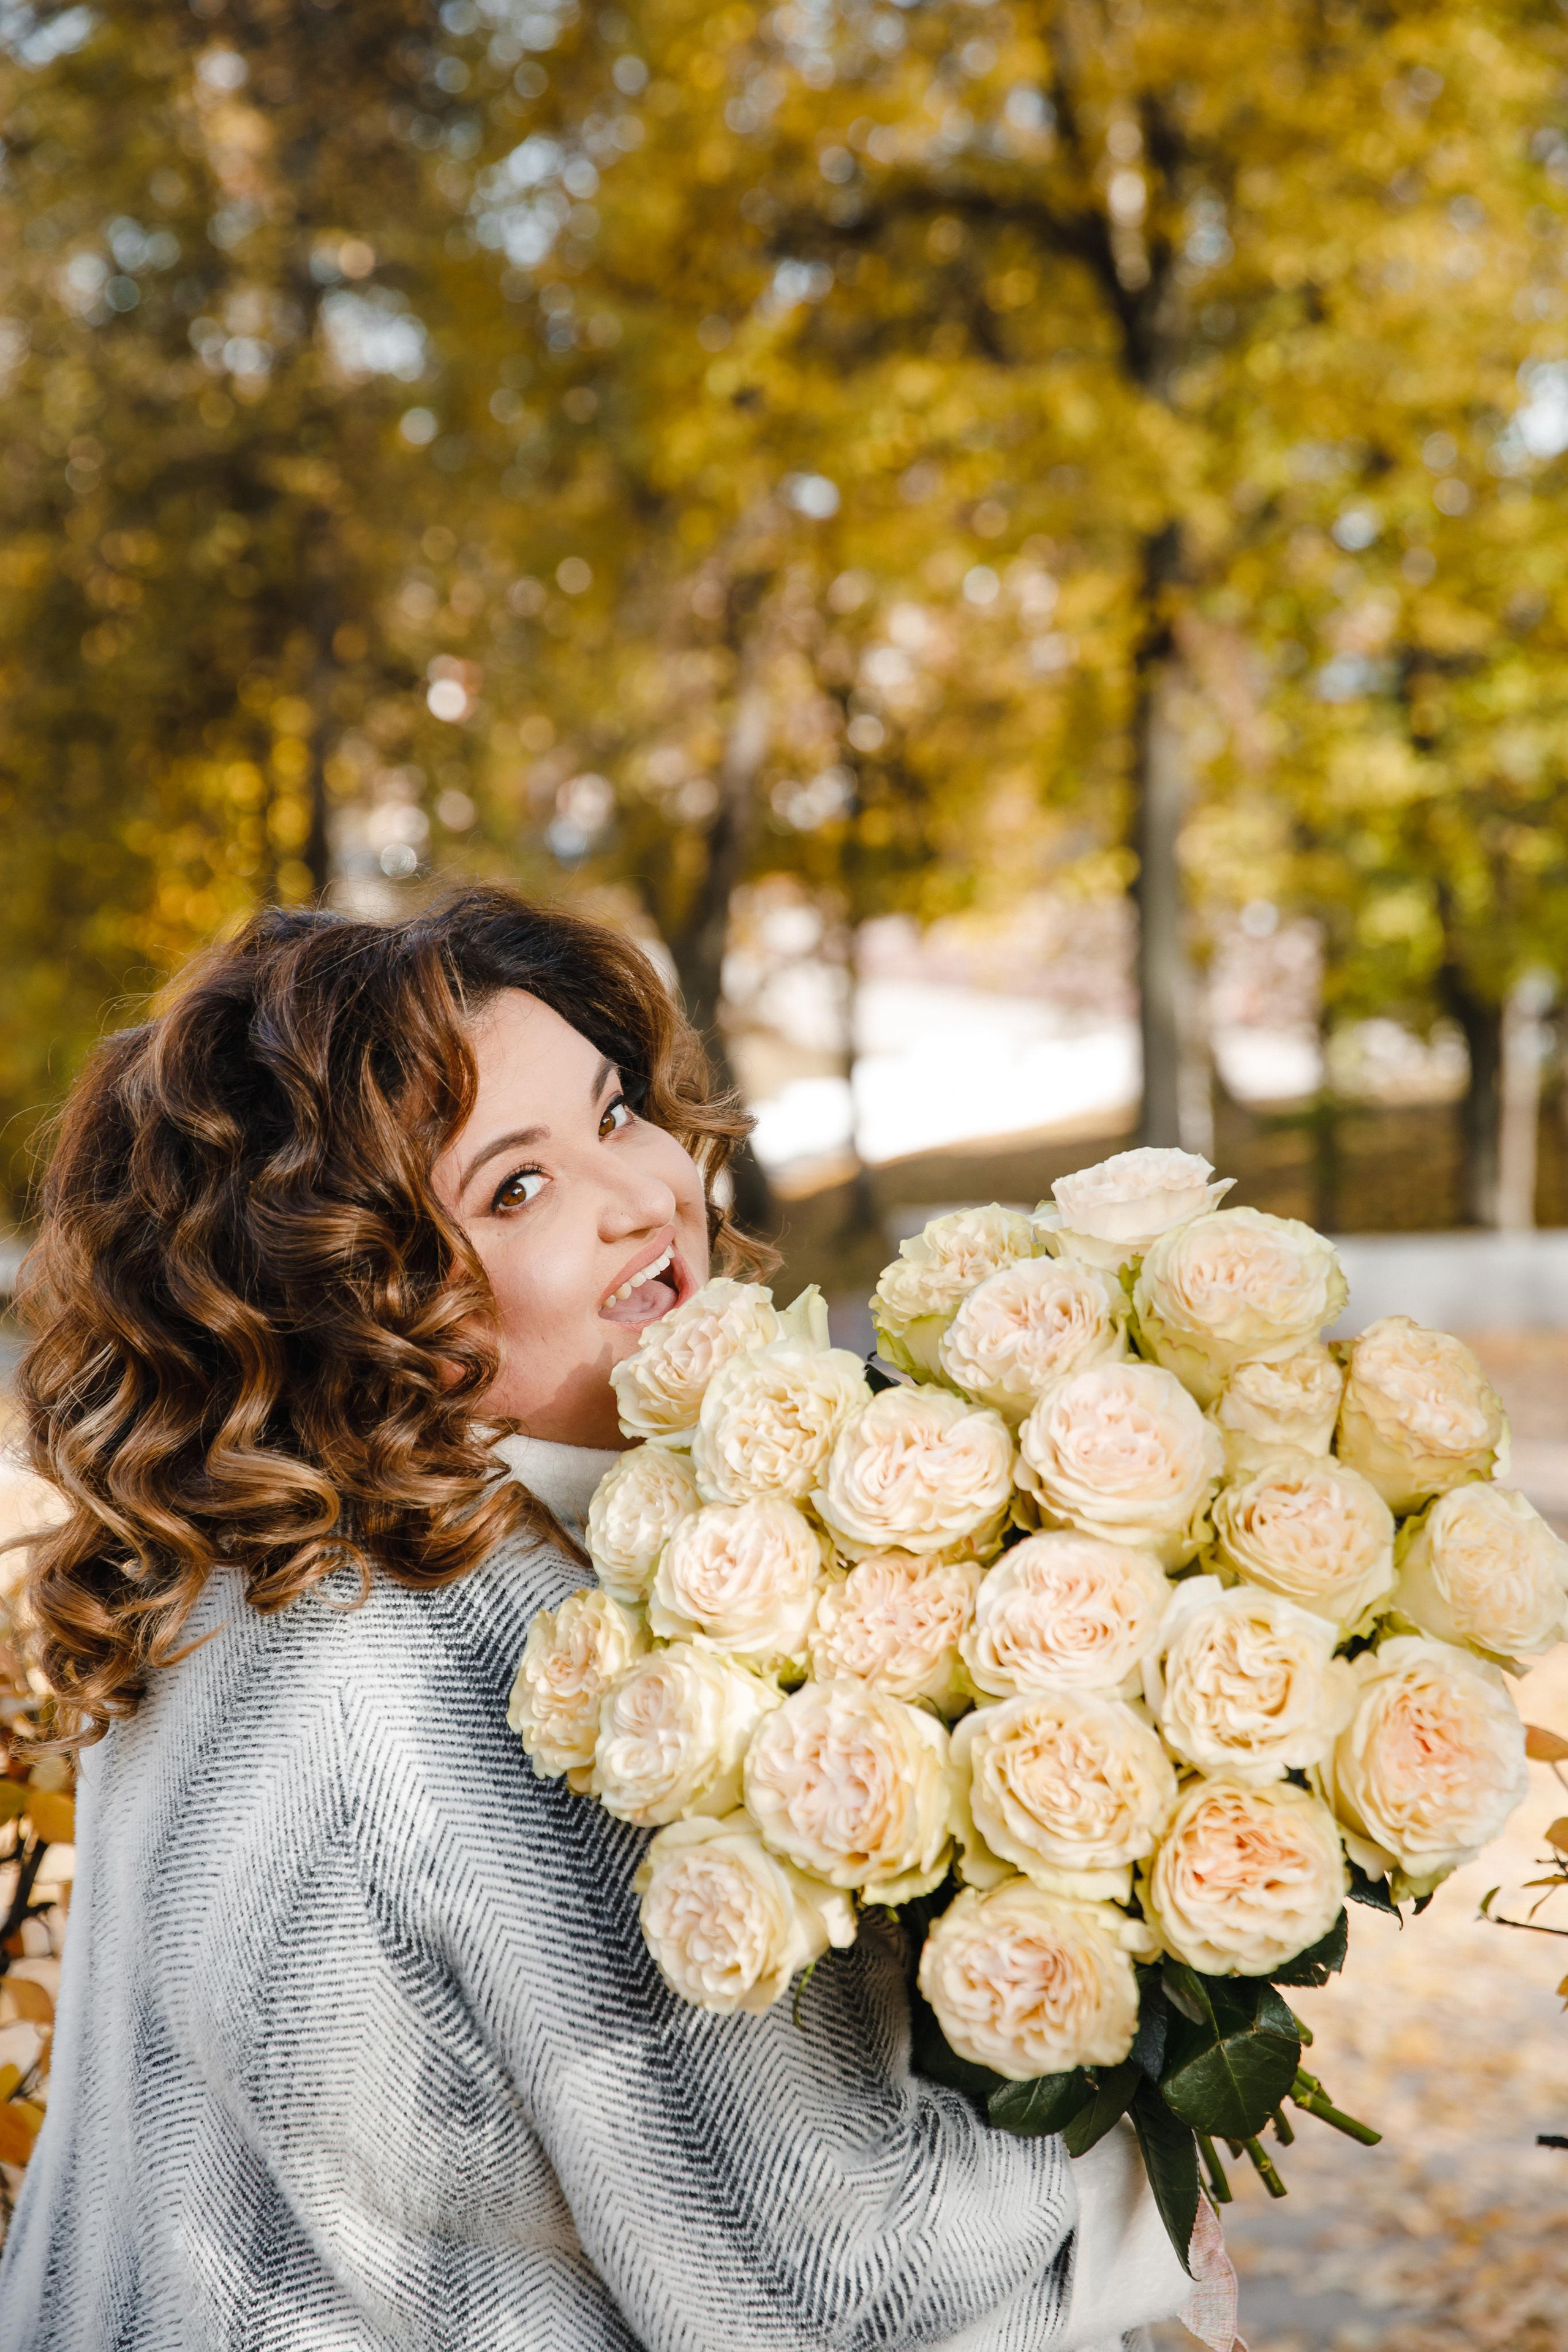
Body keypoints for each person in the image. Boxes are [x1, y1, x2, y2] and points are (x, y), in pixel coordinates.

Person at [0, 886, 1193, 2351]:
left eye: (615, 1112)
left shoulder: (230, 1587)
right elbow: (839, 2279)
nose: (643, 1195)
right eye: (516, 1188)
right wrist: (1143, 2193)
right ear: (340, 1289)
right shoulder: (522, 1675)